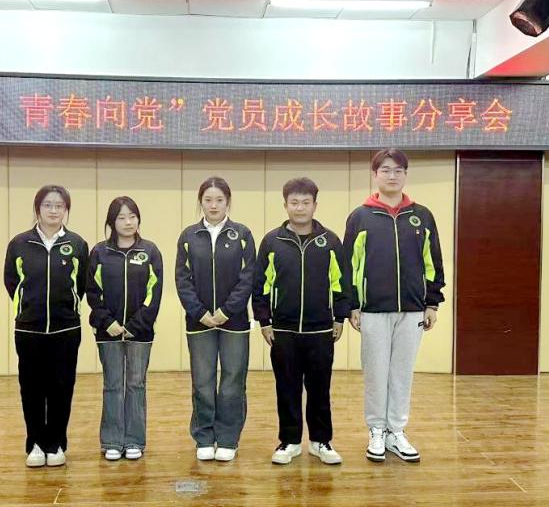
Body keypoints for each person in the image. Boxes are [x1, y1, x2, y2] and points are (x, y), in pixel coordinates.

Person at [344, 148, 446, 463]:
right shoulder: (361, 216)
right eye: (386, 170)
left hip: (412, 309)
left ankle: (396, 431)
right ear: (375, 175)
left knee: (402, 373)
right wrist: (352, 305)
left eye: (398, 170)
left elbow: (433, 263)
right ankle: (376, 430)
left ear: (405, 175)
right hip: (373, 309)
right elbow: (349, 265)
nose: (392, 175)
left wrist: (432, 303)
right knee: (376, 373)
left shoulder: (422, 215)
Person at [253, 177, 351, 466]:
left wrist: (340, 316)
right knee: (287, 388)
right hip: (283, 330)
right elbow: (261, 285)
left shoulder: (330, 241)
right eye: (294, 202)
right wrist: (264, 320)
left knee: (320, 389)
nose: (300, 208)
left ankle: (321, 441)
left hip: (321, 330)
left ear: (315, 205)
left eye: (305, 202)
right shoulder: (272, 242)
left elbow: (341, 282)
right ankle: (290, 441)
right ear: (285, 205)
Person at [3, 185, 89, 468]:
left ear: (66, 210)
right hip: (29, 330)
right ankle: (36, 444)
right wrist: (28, 308)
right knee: (31, 388)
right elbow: (12, 282)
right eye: (48, 205)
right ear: (38, 209)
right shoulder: (19, 244)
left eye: (59, 206)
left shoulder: (77, 244)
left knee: (62, 387)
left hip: (66, 330)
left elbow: (81, 284)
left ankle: (56, 444)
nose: (53, 211)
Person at [175, 176, 256, 462]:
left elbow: (248, 277)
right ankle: (204, 436)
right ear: (201, 202)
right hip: (199, 323)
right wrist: (200, 313)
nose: (213, 205)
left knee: (233, 381)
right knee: (202, 382)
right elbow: (182, 279)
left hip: (234, 322)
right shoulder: (189, 236)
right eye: (208, 200)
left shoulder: (242, 234)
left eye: (219, 200)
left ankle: (229, 438)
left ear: (227, 202)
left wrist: (226, 311)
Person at [87, 196, 163, 461]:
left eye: (132, 216)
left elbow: (154, 292)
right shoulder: (99, 252)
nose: (128, 222)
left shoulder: (150, 251)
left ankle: (134, 441)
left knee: (135, 384)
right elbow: (92, 292)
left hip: (139, 333)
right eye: (121, 217)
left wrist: (135, 325)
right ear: (112, 222)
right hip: (107, 332)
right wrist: (107, 322)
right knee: (113, 384)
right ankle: (111, 440)